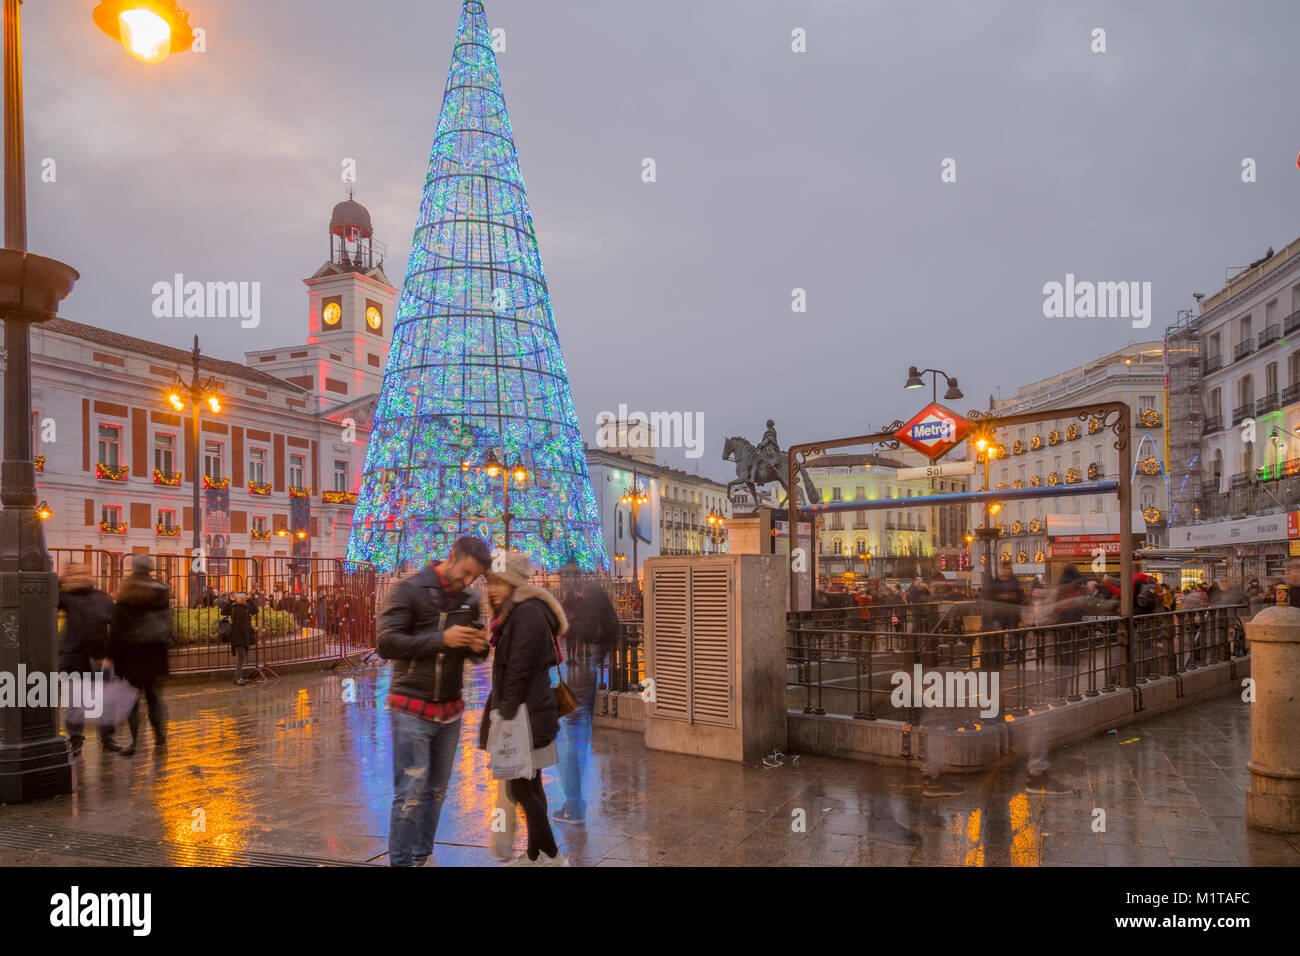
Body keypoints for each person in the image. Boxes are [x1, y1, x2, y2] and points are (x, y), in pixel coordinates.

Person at [377, 536, 491, 868]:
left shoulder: (470, 599)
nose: (468, 582)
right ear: (451, 556)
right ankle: (400, 863)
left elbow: (477, 657)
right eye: (466, 573)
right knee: (409, 795)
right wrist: (442, 639)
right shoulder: (409, 589)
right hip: (411, 704)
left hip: (450, 709)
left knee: (435, 793)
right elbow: (386, 643)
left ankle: (422, 857)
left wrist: (478, 646)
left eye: (475, 577)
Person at [478, 552, 568, 866]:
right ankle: (535, 856)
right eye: (490, 581)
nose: (492, 588)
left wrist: (504, 713)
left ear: (514, 581)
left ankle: (553, 857)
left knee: (521, 789)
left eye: (499, 582)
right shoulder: (518, 612)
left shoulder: (525, 613)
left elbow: (518, 668)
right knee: (531, 785)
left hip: (525, 715)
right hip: (529, 711)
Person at [553, 581, 620, 826]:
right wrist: (597, 654)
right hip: (585, 673)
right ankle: (574, 803)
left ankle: (574, 806)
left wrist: (583, 641)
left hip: (578, 676)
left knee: (570, 743)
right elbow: (611, 628)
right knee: (576, 740)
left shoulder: (587, 603)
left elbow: (576, 632)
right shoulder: (597, 601)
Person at [107, 554, 172, 756]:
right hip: (155, 653)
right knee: (154, 697)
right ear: (150, 568)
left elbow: (117, 627)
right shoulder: (161, 590)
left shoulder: (127, 590)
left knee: (133, 701)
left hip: (131, 653)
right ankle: (160, 738)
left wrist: (111, 655)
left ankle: (135, 742)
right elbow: (168, 622)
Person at [58, 563, 121, 756]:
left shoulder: (101, 596)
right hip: (74, 656)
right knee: (76, 702)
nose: (79, 577)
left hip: (101, 658)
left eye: (82, 573)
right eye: (74, 574)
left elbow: (116, 625)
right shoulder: (64, 597)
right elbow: (45, 594)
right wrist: (60, 581)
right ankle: (76, 740)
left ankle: (107, 738)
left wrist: (111, 655)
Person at [220, 590, 259, 686]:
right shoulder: (233, 607)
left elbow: (256, 610)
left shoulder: (247, 607)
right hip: (236, 636)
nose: (240, 598)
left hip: (245, 635)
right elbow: (223, 612)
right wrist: (230, 600)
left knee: (241, 657)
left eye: (242, 596)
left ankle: (237, 678)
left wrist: (249, 600)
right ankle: (238, 678)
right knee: (241, 657)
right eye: (239, 596)